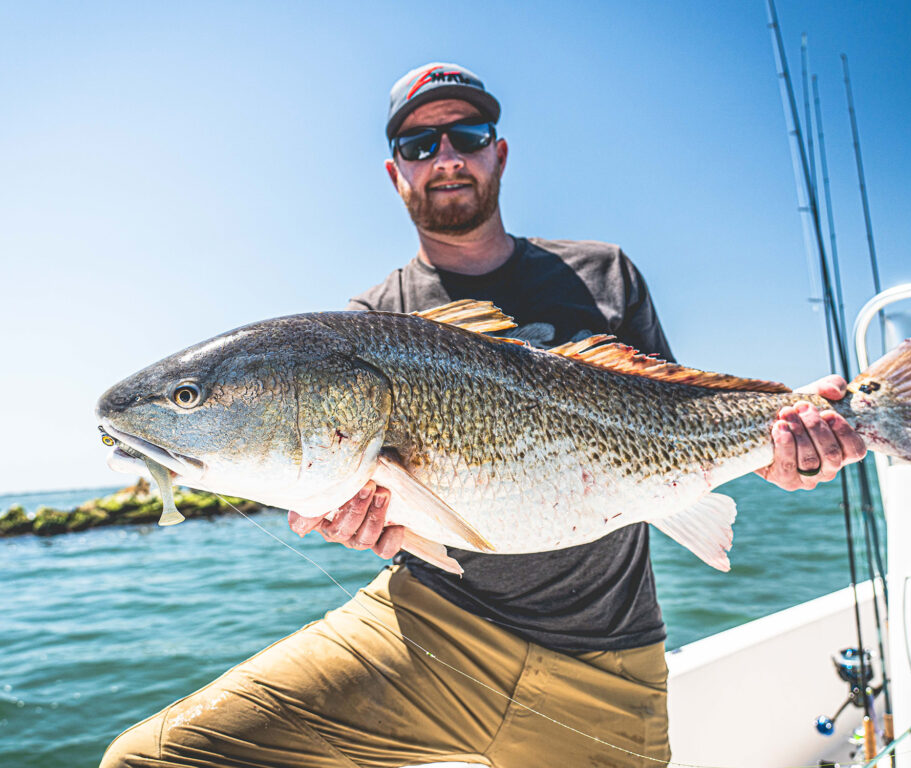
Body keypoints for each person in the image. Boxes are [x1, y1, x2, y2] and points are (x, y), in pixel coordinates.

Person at [101, 62, 865, 768]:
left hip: (607, 656)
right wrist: (360, 524)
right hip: (423, 633)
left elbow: (675, 415)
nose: (445, 156)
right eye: (417, 142)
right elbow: (400, 525)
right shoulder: (374, 317)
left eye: (465, 136)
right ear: (395, 170)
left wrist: (785, 452)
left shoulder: (602, 274)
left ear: (498, 153)